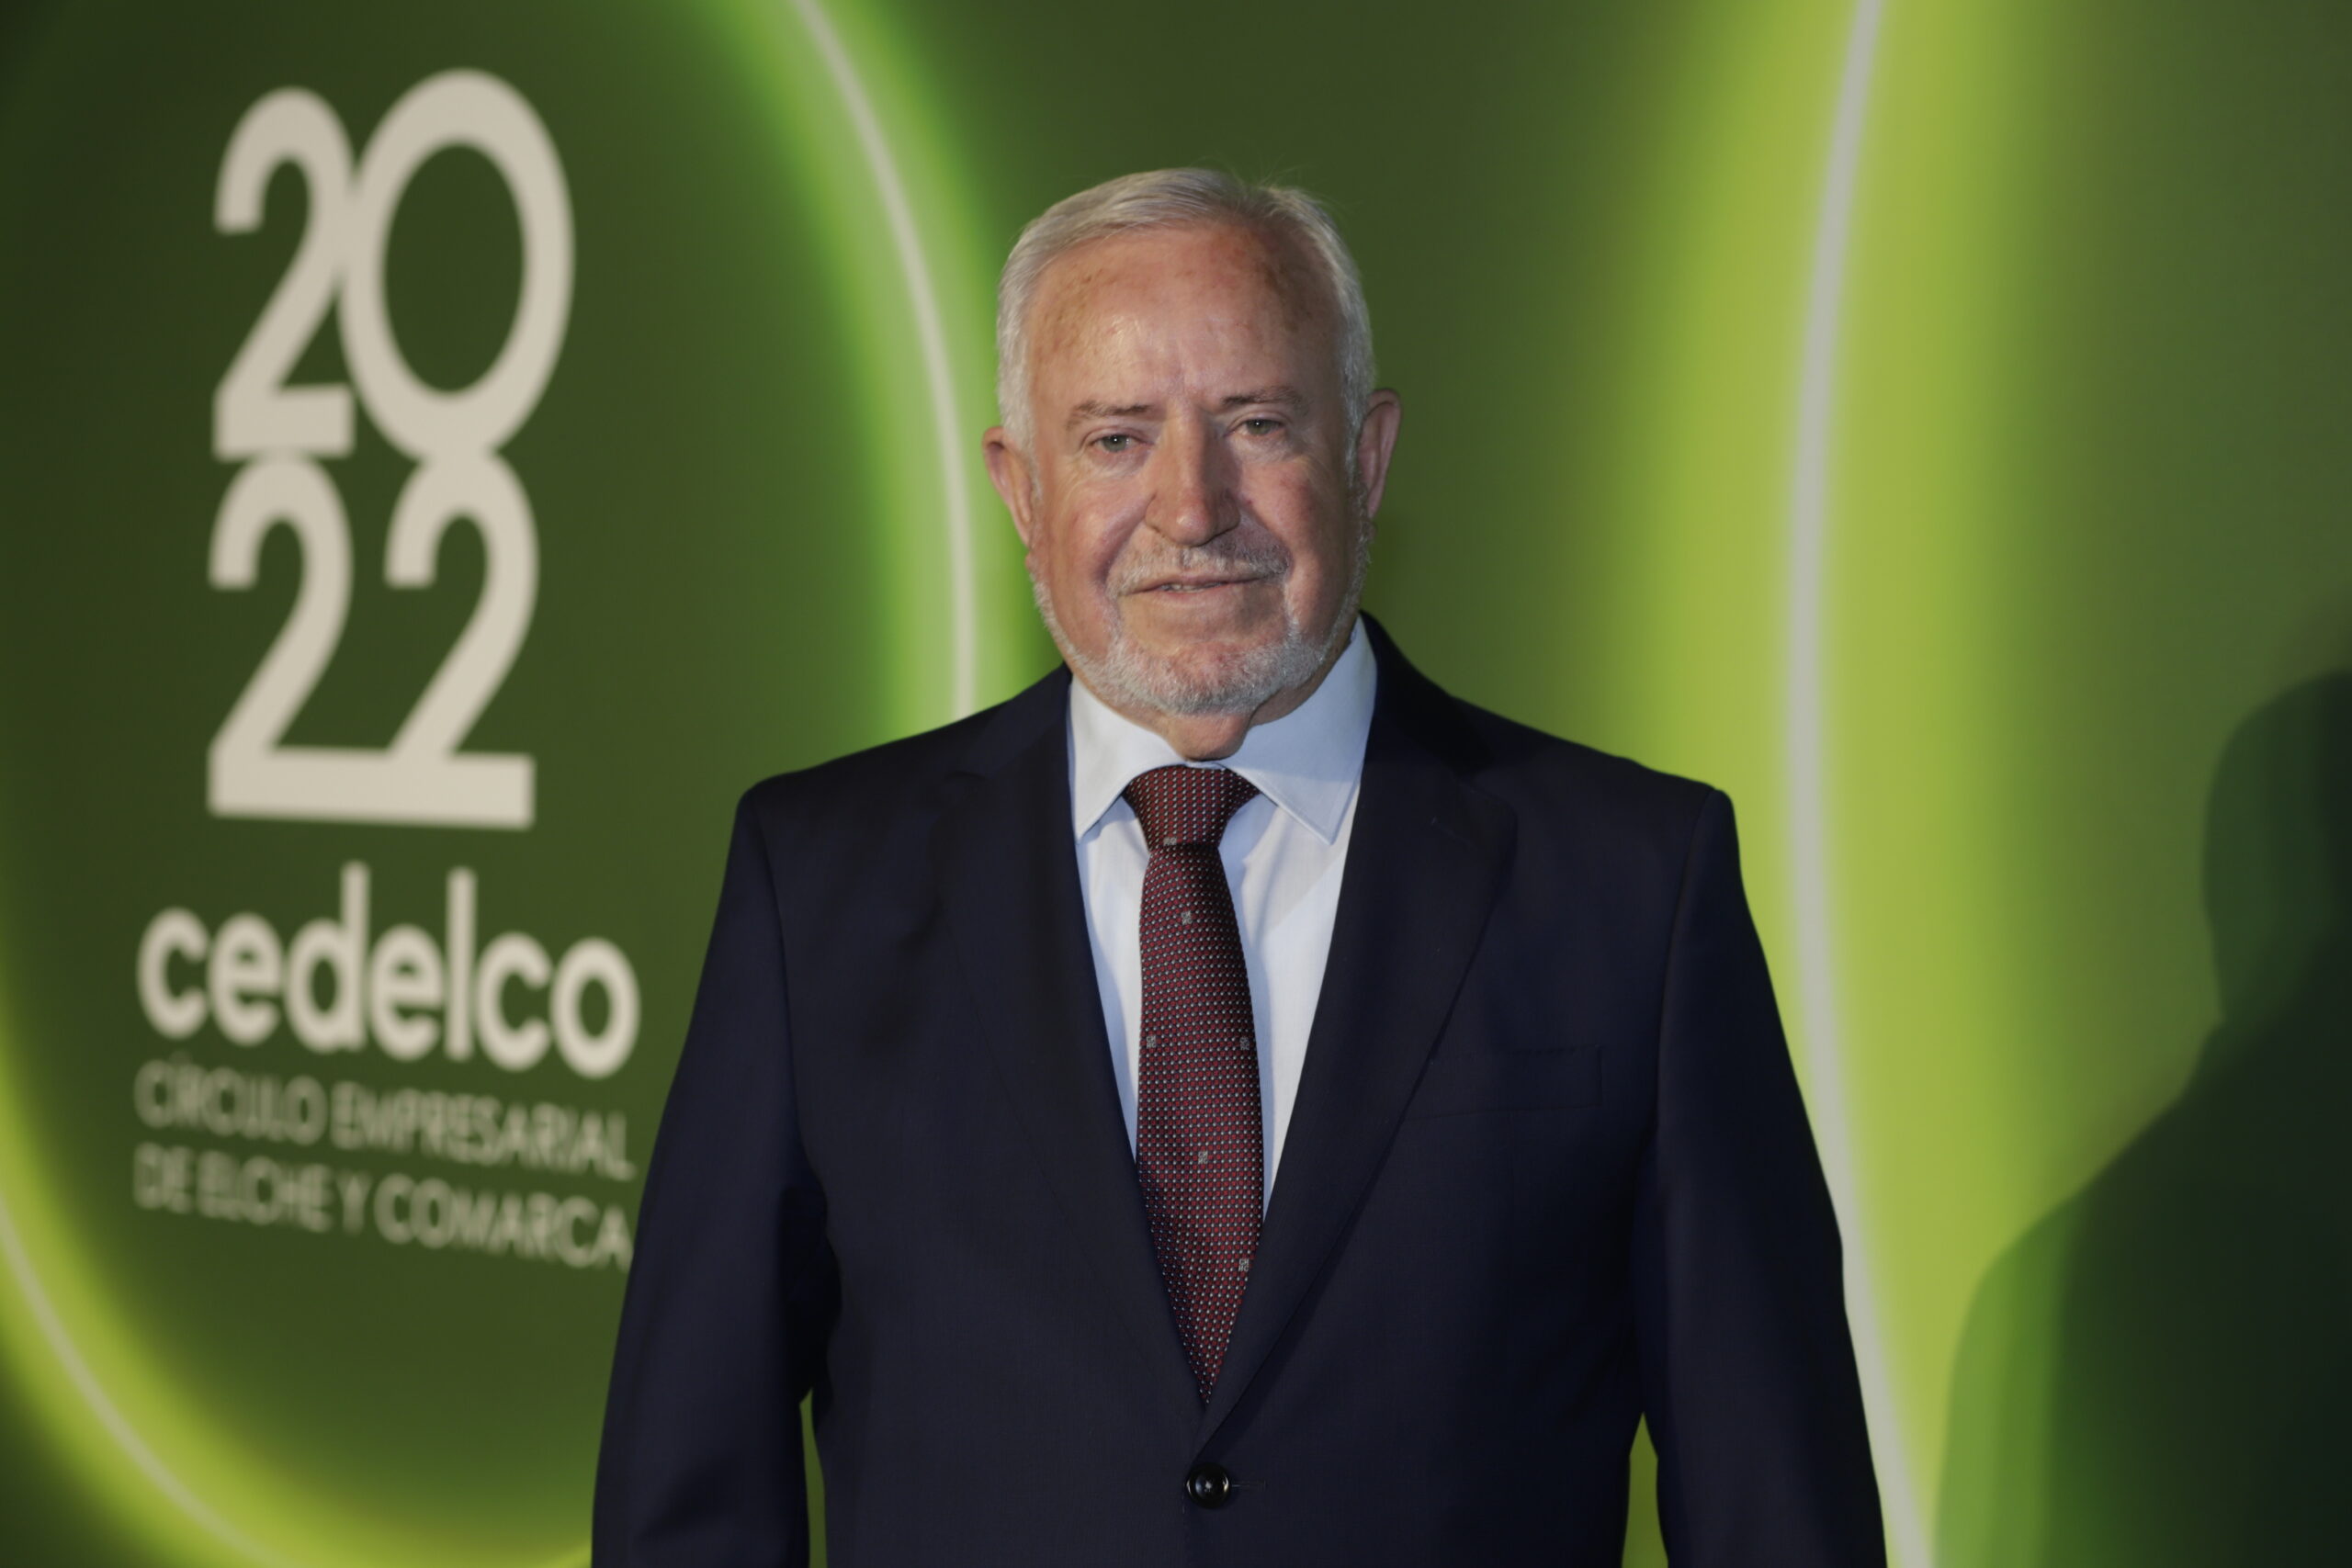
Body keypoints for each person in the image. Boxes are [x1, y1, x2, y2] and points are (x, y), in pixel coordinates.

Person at [592, 169, 1883, 1567]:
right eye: (1115, 439)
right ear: (1019, 488)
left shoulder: (1633, 889)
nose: (1192, 507)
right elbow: (689, 1503)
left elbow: (1775, 1509)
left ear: (1367, 458)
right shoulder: (818, 887)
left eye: (1258, 424)